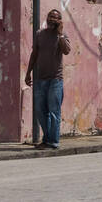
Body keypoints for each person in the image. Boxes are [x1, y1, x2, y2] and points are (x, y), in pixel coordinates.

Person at [25, 8, 71, 149]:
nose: (52, 19)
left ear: (59, 20)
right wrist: (28, 73)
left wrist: (60, 34)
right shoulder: (40, 34)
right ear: (47, 18)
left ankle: (53, 141)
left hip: (55, 80)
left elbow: (67, 51)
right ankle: (47, 139)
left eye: (56, 17)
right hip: (40, 79)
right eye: (50, 16)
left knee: (54, 111)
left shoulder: (61, 36)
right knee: (40, 110)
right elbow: (34, 54)